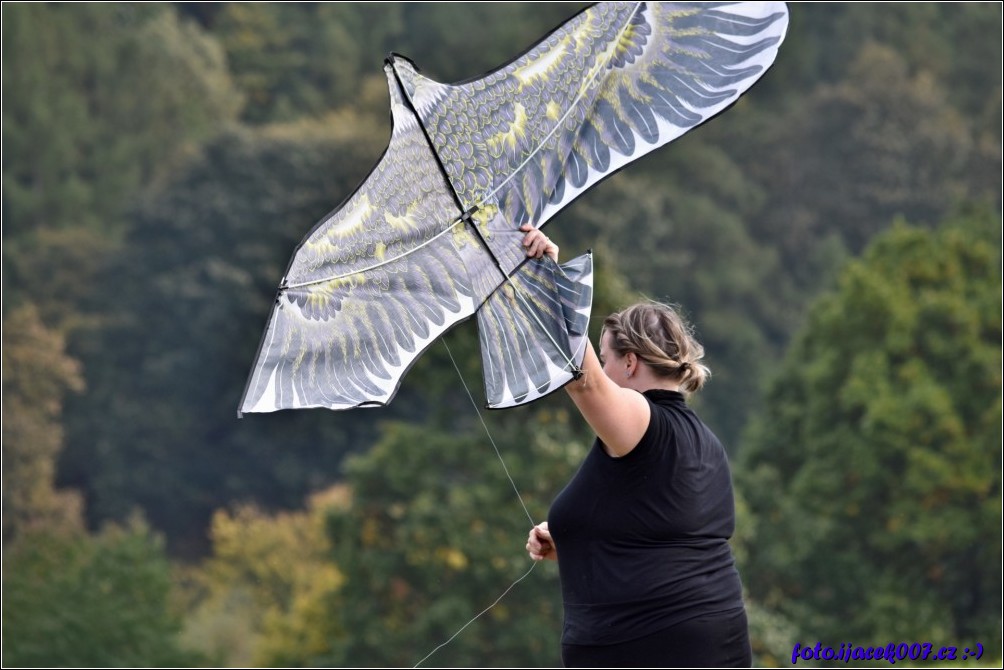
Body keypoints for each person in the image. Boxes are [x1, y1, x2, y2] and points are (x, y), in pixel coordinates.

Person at [519, 224, 752, 668]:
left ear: (630, 362)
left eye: (604, 358)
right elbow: (659, 536)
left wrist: (546, 278)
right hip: (713, 642)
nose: (599, 368)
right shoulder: (704, 443)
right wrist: (577, 538)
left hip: (652, 646)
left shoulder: (646, 423)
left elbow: (584, 383)